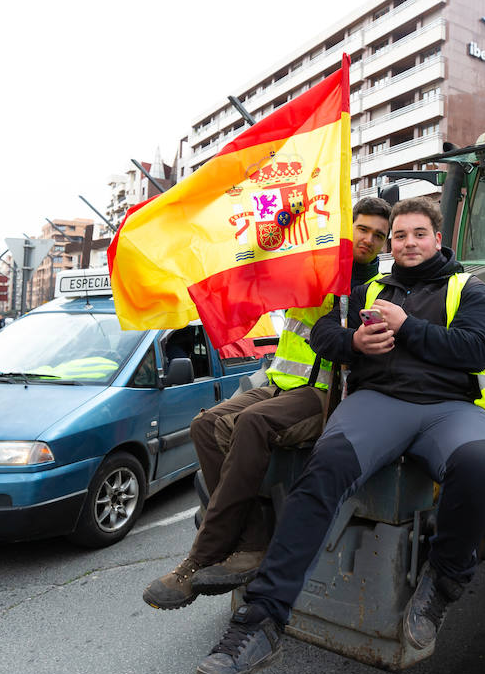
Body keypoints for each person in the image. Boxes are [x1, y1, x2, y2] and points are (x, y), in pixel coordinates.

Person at [193, 196, 485, 674]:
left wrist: (408, 328)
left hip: (453, 409)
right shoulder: (371, 288)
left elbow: (475, 349)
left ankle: (443, 581)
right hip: (380, 402)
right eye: (399, 236)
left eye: (418, 233)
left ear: (437, 239)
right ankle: (261, 621)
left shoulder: (469, 290)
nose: (407, 243)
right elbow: (321, 332)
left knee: (481, 466)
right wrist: (354, 344)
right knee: (326, 466)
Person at [143, 196, 392, 610]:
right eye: (362, 229)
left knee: (252, 424)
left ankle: (201, 556)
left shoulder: (369, 287)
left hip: (321, 394)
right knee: (205, 425)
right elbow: (268, 249)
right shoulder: (311, 262)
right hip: (280, 383)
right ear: (347, 226)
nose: (368, 239)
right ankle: (252, 538)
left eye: (378, 236)